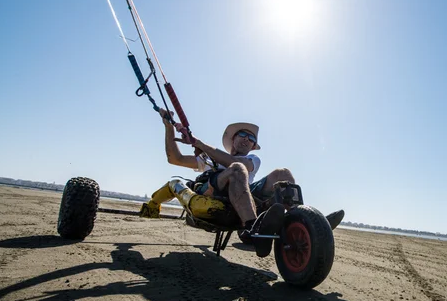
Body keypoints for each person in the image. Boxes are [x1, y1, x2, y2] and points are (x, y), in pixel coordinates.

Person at [147, 109, 344, 257]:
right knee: (236, 170)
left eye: (251, 139)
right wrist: (169, 127)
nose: (247, 140)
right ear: (232, 139)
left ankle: (302, 219)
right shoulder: (206, 160)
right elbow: (175, 158)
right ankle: (252, 230)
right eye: (243, 134)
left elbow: (238, 164)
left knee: (282, 173)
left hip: (244, 195)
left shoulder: (252, 161)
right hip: (214, 192)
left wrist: (198, 143)